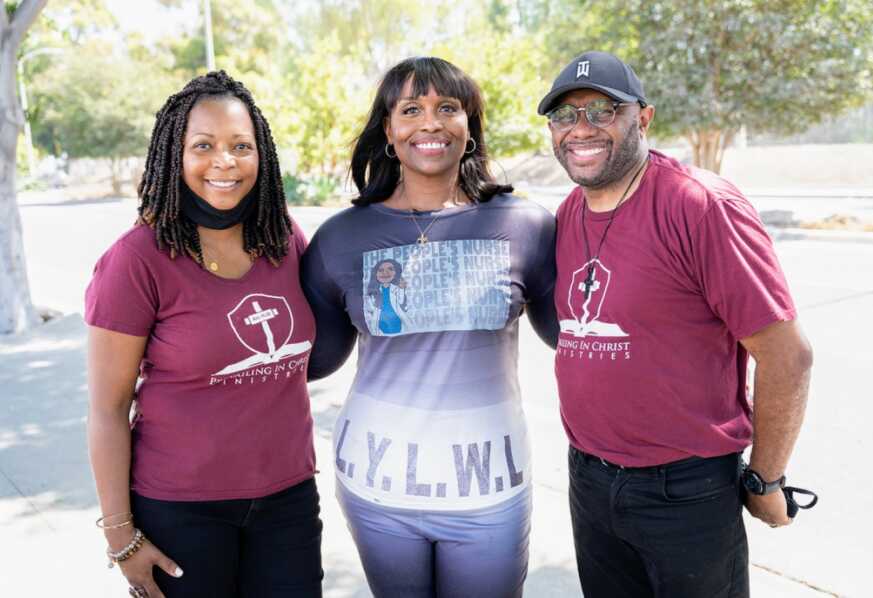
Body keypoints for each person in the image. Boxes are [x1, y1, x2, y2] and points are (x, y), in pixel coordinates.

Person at [539, 51, 813, 597]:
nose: (581, 129)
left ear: (642, 118)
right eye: (564, 116)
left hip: (684, 491)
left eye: (602, 110)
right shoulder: (570, 211)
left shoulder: (700, 204)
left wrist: (765, 478)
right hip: (589, 480)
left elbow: (788, 355)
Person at [301, 56, 558, 598]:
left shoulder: (525, 224)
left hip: (489, 487)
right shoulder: (340, 238)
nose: (430, 122)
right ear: (389, 133)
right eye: (411, 109)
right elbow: (313, 359)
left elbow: (574, 337)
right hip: (377, 485)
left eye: (448, 108)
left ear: (469, 129)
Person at [85, 71, 322, 598]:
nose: (225, 161)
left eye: (242, 145)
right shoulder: (136, 261)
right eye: (204, 146)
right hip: (180, 512)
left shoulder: (282, 236)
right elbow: (107, 409)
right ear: (175, 154)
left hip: (288, 501)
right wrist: (121, 535)